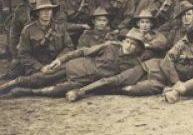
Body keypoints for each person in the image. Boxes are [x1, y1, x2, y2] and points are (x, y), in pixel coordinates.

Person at [65, 24, 193, 102]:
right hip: (150, 68)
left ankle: (98, 91)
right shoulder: (181, 46)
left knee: (130, 90)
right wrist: (176, 82)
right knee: (116, 79)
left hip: (160, 82)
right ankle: (82, 91)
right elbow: (166, 62)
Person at [1, 29, 147, 98]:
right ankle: (8, 86)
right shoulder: (110, 46)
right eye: (128, 41)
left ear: (138, 48)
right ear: (123, 41)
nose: (129, 46)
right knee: (38, 79)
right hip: (73, 68)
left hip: (83, 83)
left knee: (55, 92)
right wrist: (60, 60)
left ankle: (20, 92)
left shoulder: (133, 64)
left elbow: (117, 81)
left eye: (133, 44)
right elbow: (82, 51)